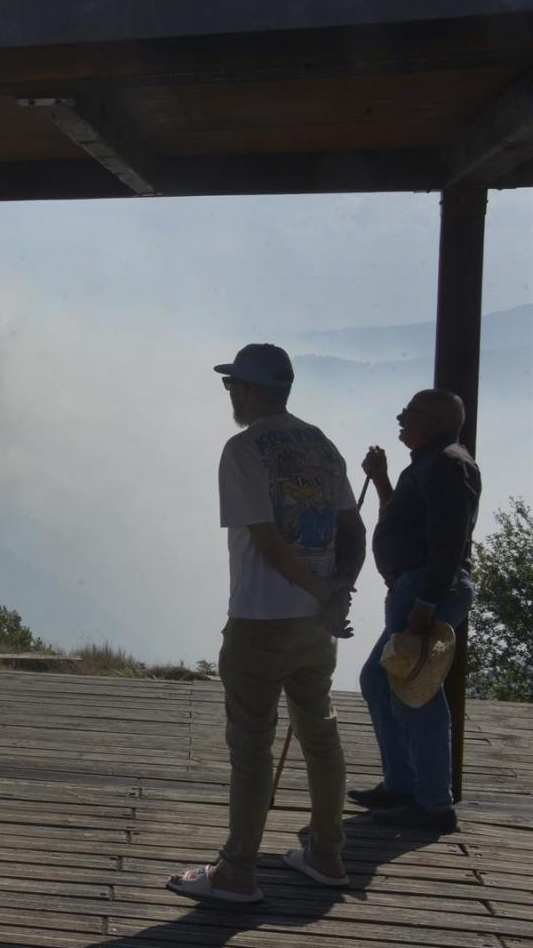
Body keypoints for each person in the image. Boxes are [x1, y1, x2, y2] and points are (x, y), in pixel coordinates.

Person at [167, 344, 365, 905]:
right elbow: (353, 529)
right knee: (320, 736)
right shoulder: (321, 444)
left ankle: (237, 872)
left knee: (251, 748)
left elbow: (267, 539)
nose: (229, 394)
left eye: (232, 386)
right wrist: (337, 590)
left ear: (248, 391)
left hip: (260, 620)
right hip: (314, 627)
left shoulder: (243, 449)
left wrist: (323, 590)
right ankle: (327, 854)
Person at [350, 389, 480, 833]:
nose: (400, 418)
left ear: (435, 422)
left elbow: (450, 538)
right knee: (382, 681)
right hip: (418, 587)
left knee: (417, 693)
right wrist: (383, 478)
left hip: (426, 589)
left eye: (410, 413)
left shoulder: (447, 463)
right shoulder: (431, 462)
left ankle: (433, 805)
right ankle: (404, 786)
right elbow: (405, 519)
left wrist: (426, 600)